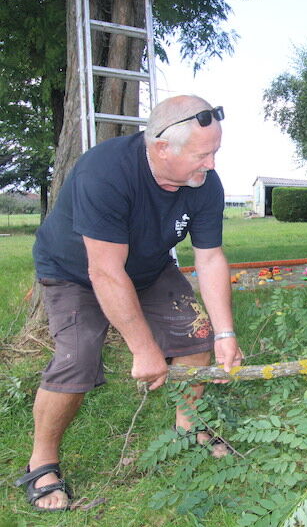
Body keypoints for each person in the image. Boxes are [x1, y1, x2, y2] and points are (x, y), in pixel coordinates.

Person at [15, 95, 243, 512]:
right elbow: (104, 271)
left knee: (197, 337)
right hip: (74, 272)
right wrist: (143, 348)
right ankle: (41, 462)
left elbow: (209, 258)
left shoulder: (205, 184)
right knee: (78, 358)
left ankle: (189, 428)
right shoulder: (105, 172)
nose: (211, 164)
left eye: (215, 152)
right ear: (161, 148)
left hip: (148, 268)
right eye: (202, 155)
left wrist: (225, 333)